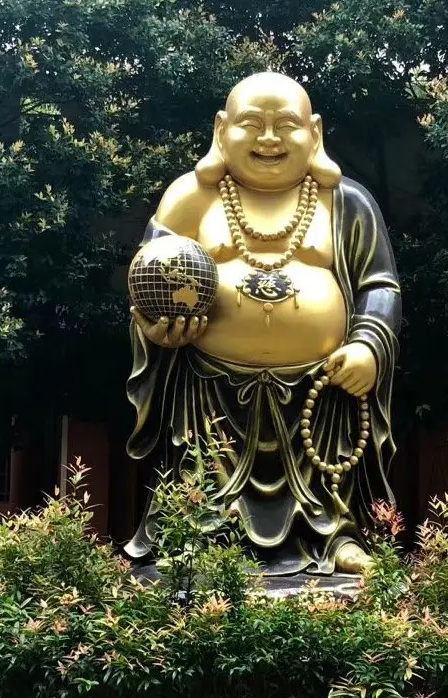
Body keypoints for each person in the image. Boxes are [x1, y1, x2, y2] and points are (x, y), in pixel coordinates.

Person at [124, 72, 401, 575]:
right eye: (252, 124)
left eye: (286, 126)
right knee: (202, 472)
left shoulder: (347, 202)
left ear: (314, 133)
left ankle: (333, 536)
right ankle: (197, 539)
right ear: (221, 130)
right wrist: (154, 328)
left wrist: (368, 345)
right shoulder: (190, 197)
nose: (269, 138)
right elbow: (148, 277)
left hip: (322, 385)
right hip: (209, 384)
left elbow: (379, 286)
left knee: (327, 472)